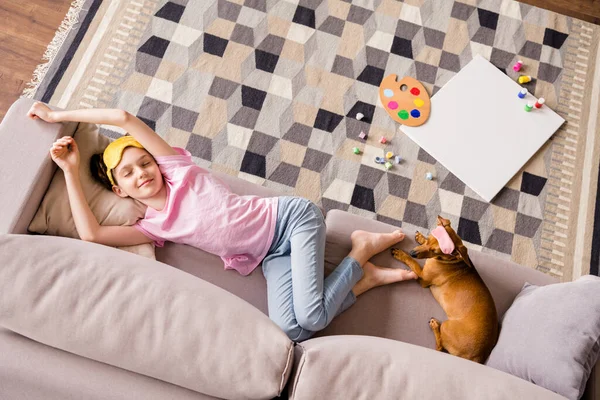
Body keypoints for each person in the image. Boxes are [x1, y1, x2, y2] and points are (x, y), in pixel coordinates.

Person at [27, 101, 417, 342]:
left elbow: (122, 117)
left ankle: (361, 250)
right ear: (121, 191)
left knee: (313, 315)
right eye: (127, 174)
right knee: (293, 331)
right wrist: (69, 170)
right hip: (270, 256)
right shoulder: (153, 227)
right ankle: (360, 280)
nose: (141, 172)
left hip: (292, 220)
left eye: (144, 162)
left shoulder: (179, 171)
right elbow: (91, 234)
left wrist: (58, 115)